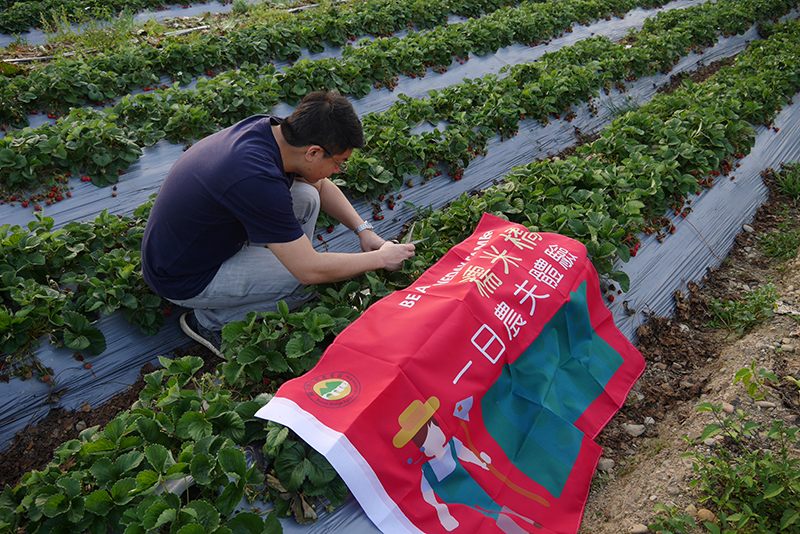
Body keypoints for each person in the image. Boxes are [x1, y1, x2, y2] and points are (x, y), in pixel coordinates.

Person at [141, 91, 415, 355]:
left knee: (307, 194)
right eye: (339, 163)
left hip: (203, 241)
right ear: (313, 153)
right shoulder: (255, 179)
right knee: (304, 283)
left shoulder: (271, 131)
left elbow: (319, 184)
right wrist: (381, 259)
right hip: (183, 275)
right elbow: (309, 272)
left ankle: (282, 266)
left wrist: (363, 232)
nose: (337, 171)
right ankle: (209, 322)